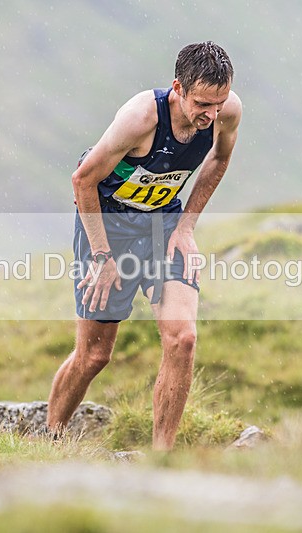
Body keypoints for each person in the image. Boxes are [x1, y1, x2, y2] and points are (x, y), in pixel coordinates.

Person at [45, 41, 242, 451]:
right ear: (178, 89)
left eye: (218, 104)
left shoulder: (227, 112)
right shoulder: (140, 118)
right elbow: (83, 180)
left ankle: (160, 458)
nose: (211, 115)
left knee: (182, 339)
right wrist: (103, 256)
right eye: (202, 104)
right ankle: (51, 437)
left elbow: (219, 159)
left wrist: (185, 228)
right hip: (107, 222)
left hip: (161, 223)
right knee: (94, 356)